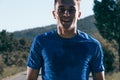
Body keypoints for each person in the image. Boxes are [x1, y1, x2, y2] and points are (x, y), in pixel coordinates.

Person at [26, 0, 105, 80]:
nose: (66, 14)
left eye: (72, 10)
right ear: (54, 14)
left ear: (79, 14)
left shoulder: (93, 45)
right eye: (61, 10)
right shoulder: (41, 42)